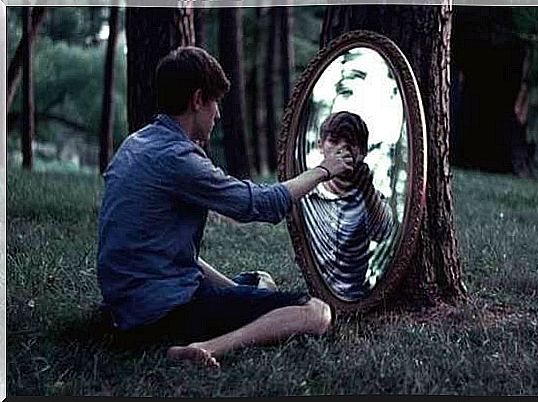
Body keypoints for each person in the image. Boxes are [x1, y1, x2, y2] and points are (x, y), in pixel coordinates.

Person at [97, 46, 355, 368]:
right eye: (215, 102)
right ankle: (208, 347)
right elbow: (261, 203)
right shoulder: (179, 159)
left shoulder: (133, 145)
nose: (218, 114)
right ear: (197, 100)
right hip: (163, 312)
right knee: (317, 313)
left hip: (123, 309)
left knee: (261, 281)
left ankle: (236, 312)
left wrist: (243, 295)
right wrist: (323, 170)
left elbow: (172, 253)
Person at [300, 111, 393, 301]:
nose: (342, 152)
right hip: (313, 297)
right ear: (320, 146)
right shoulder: (306, 194)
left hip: (357, 298)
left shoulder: (370, 198)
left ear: (363, 152)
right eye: (333, 142)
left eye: (351, 144)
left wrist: (367, 190)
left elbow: (383, 233)